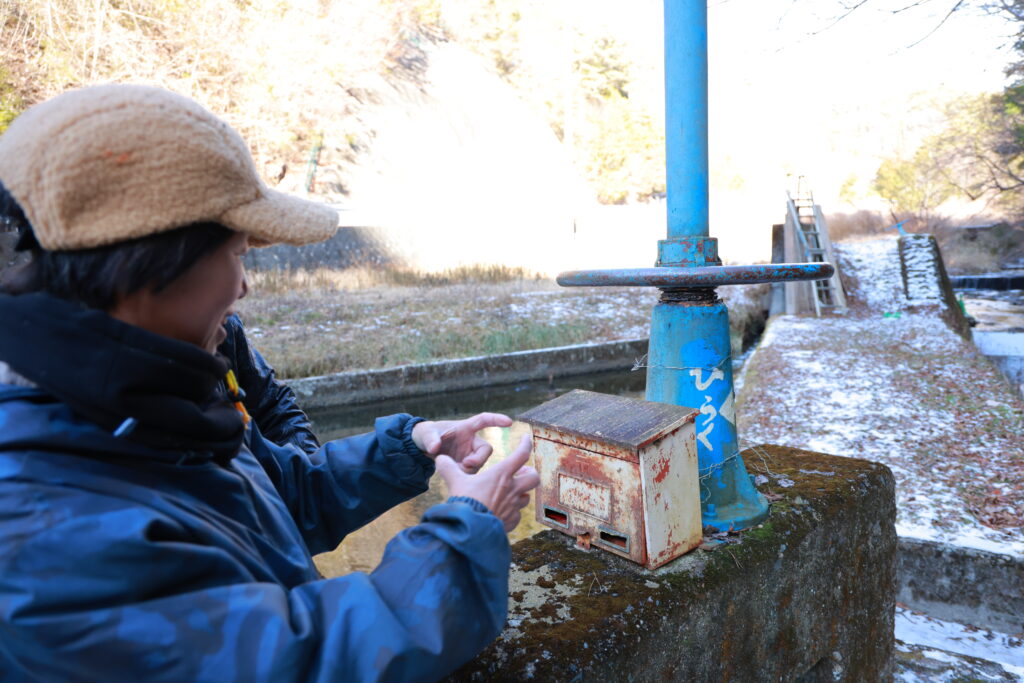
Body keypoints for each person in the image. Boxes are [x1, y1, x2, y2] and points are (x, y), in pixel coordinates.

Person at [0, 84, 539, 681]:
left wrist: (408, 449)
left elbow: (279, 503)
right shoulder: (40, 530)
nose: (243, 286)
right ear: (150, 270)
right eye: (238, 254)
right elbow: (297, 664)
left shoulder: (155, 402)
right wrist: (466, 533)